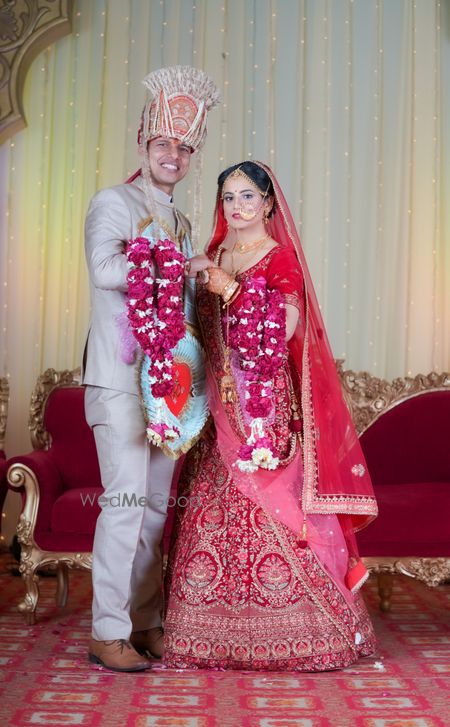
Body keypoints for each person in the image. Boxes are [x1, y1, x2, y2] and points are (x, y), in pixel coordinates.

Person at [163, 161, 378, 671]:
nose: (237, 207)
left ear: (268, 204)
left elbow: (283, 328)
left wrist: (229, 288)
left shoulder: (279, 259)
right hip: (215, 408)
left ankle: (308, 634)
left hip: (261, 407)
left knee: (276, 504)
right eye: (228, 197)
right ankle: (211, 636)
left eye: (247, 196)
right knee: (211, 506)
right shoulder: (212, 254)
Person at [82, 66, 219, 672]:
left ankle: (145, 623)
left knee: (156, 510)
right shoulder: (113, 201)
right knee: (125, 503)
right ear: (143, 142)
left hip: (168, 388)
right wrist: (169, 262)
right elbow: (104, 269)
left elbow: (182, 311)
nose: (173, 155)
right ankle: (107, 631)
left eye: (184, 147)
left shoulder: (181, 220)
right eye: (164, 142)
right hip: (119, 378)